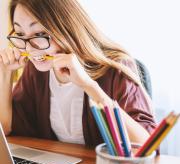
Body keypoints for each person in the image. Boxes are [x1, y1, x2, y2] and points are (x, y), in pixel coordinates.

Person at [0, 0, 156, 147]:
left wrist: (88, 85)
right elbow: (6, 129)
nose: (29, 49)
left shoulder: (116, 68)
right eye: (20, 34)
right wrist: (5, 74)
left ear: (66, 28)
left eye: (40, 34)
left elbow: (146, 146)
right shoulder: (36, 70)